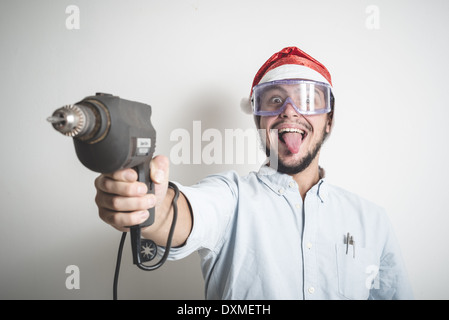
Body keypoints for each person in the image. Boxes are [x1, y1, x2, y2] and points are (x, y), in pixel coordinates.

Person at [94, 46, 414, 300]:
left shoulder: (373, 221)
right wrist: (150, 205)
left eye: (306, 99)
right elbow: (175, 214)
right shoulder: (231, 198)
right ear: (259, 120)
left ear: (329, 120)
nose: (289, 110)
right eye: (274, 100)